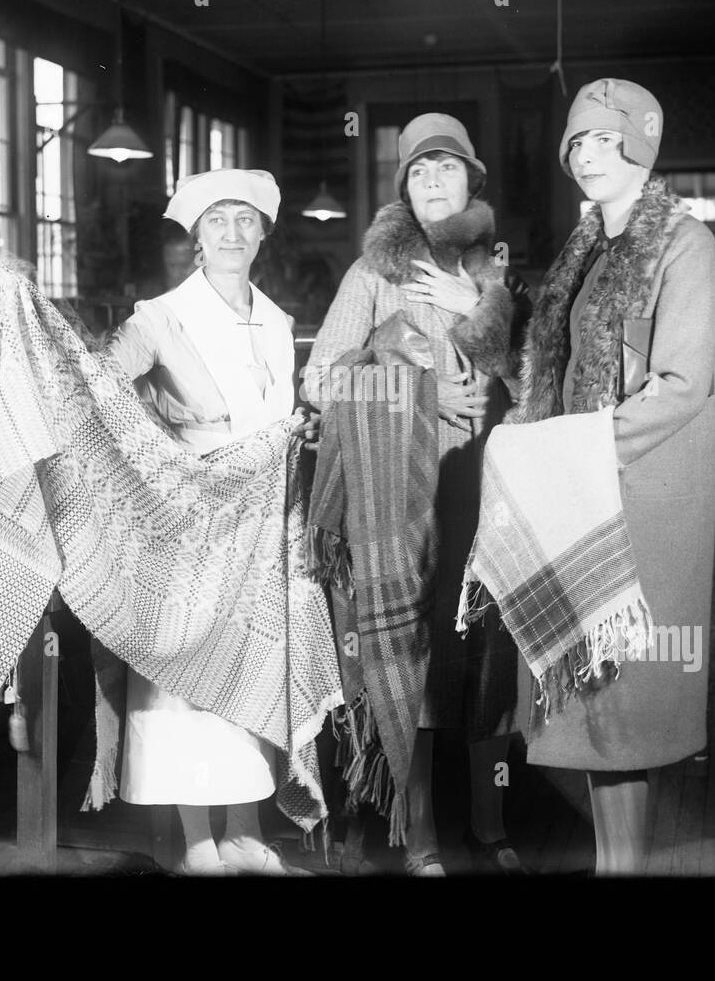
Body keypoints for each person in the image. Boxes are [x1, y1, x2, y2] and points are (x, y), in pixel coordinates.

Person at [305, 113, 530, 875]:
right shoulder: (374, 274)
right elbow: (323, 377)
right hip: (405, 499)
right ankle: (422, 834)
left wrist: (478, 310)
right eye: (420, 170)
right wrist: (423, 394)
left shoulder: (495, 272)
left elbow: (538, 383)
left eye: (448, 167)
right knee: (416, 654)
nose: (435, 180)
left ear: (473, 180)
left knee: (491, 652)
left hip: (489, 493)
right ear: (404, 189)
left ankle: (493, 827)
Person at [515, 78, 715, 873]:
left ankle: (622, 866)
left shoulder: (683, 244)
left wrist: (583, 446)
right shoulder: (584, 248)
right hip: (579, 494)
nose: (587, 156)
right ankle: (615, 864)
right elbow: (550, 369)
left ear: (641, 146)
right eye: (577, 143)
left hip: (637, 493)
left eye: (606, 140)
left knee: (626, 696)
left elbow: (682, 384)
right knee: (596, 701)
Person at [106, 168, 319, 874]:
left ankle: (244, 830)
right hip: (189, 525)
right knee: (190, 683)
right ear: (196, 239)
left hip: (262, 529)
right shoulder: (158, 316)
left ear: (263, 234)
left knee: (251, 673)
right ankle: (198, 839)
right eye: (217, 221)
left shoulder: (281, 323)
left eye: (245, 220)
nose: (232, 233)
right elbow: (101, 392)